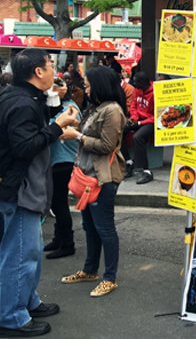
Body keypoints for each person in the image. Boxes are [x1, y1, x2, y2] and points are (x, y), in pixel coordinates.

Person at [0, 48, 79, 337]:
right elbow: (24, 146)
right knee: (19, 254)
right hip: (20, 188)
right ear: (38, 72)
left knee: (29, 251)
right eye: (50, 65)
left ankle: (27, 301)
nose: (54, 71)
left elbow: (31, 129)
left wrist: (54, 103)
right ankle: (11, 316)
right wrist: (57, 127)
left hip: (25, 187)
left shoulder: (20, 96)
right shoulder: (21, 103)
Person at [60, 65, 127, 298]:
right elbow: (92, 133)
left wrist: (77, 135)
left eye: (88, 85)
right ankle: (90, 270)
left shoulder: (113, 110)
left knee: (104, 227)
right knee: (89, 225)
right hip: (87, 175)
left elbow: (107, 145)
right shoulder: (97, 108)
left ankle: (110, 278)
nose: (86, 90)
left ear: (99, 85)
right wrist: (76, 126)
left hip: (103, 177)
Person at [44, 78, 82, 259]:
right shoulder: (52, 106)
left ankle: (68, 243)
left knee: (59, 203)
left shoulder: (71, 108)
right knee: (56, 202)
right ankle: (58, 238)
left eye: (58, 87)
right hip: (54, 160)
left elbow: (65, 131)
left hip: (64, 161)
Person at [124, 71, 155, 184]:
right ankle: (129, 162)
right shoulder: (137, 90)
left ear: (143, 83)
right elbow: (133, 106)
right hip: (139, 120)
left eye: (136, 82)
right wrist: (134, 118)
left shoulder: (154, 93)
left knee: (138, 137)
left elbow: (157, 116)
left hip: (151, 122)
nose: (134, 84)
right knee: (120, 130)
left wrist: (140, 124)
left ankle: (146, 171)